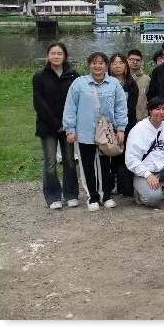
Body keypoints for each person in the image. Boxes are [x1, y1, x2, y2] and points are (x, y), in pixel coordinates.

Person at [62, 52, 128, 211]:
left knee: (105, 165)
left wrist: (121, 128)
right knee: (87, 165)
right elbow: (70, 107)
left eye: (101, 63)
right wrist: (70, 129)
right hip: (85, 131)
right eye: (94, 63)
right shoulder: (79, 83)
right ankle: (92, 196)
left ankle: (106, 195)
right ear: (89, 65)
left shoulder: (114, 84)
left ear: (106, 65)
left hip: (106, 133)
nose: (97, 66)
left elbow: (120, 107)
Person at [33, 42, 80, 209]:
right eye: (53, 53)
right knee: (50, 162)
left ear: (65, 56)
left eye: (59, 53)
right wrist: (56, 123)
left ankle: (71, 194)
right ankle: (53, 197)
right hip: (47, 125)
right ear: (48, 56)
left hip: (69, 126)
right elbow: (39, 103)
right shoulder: (40, 76)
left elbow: (77, 101)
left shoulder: (73, 76)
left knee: (69, 160)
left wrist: (67, 124)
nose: (56, 56)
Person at [125, 97, 164, 207]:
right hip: (143, 172)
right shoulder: (138, 129)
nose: (161, 112)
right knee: (154, 200)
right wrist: (148, 175)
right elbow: (131, 159)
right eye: (157, 109)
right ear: (150, 110)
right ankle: (143, 192)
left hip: (162, 168)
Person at [108, 53, 139, 196]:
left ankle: (124, 186)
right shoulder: (106, 83)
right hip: (109, 125)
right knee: (109, 154)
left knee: (124, 154)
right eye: (114, 63)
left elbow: (131, 108)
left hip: (127, 124)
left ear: (125, 65)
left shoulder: (131, 84)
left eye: (120, 63)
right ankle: (108, 184)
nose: (117, 66)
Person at [127, 49, 150, 121]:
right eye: (132, 59)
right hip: (124, 119)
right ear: (127, 60)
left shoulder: (147, 79)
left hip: (142, 119)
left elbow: (150, 98)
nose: (135, 62)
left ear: (141, 62)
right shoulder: (122, 78)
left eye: (138, 60)